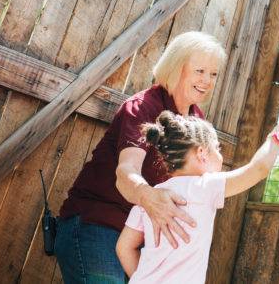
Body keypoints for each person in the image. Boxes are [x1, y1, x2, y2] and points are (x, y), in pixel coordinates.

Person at [54, 31, 231, 283]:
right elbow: (126, 172)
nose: (207, 80)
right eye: (200, 71)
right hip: (97, 225)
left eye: (213, 74)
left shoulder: (196, 121)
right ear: (176, 67)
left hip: (141, 242)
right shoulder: (142, 107)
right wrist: (150, 197)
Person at [116, 112, 279, 282]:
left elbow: (124, 247)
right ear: (202, 153)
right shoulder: (205, 186)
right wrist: (278, 135)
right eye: (217, 148)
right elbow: (258, 169)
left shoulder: (150, 199)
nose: (220, 155)